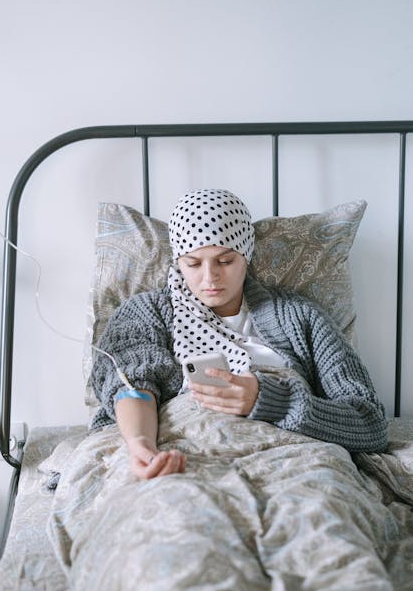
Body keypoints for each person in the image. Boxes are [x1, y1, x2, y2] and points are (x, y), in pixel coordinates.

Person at [91, 189, 388, 479]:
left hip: (293, 465)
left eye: (225, 261)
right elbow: (132, 387)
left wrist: (273, 401)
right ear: (178, 260)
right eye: (193, 263)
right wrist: (140, 444)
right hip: (184, 459)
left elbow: (369, 424)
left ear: (246, 255)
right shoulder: (146, 313)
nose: (210, 277)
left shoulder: (299, 317)